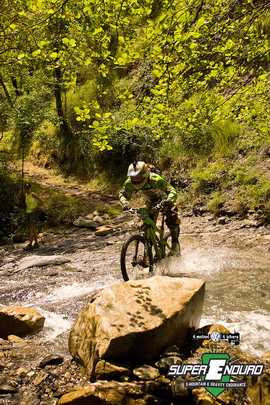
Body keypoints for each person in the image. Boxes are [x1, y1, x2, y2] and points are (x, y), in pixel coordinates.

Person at [119, 160, 180, 254]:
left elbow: (172, 191)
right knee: (147, 226)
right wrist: (125, 204)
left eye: (138, 177)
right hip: (151, 202)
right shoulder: (129, 183)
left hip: (165, 200)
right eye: (133, 177)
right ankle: (147, 253)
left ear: (145, 174)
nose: (136, 180)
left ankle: (175, 245)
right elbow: (122, 194)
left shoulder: (155, 179)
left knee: (172, 218)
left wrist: (169, 200)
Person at [23, 183, 44, 251]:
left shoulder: (33, 194)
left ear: (30, 188)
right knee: (33, 228)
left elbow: (42, 201)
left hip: (33, 213)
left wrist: (36, 208)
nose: (27, 189)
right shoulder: (26, 195)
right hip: (28, 212)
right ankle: (36, 243)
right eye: (25, 188)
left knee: (31, 229)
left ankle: (30, 244)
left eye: (28, 188)